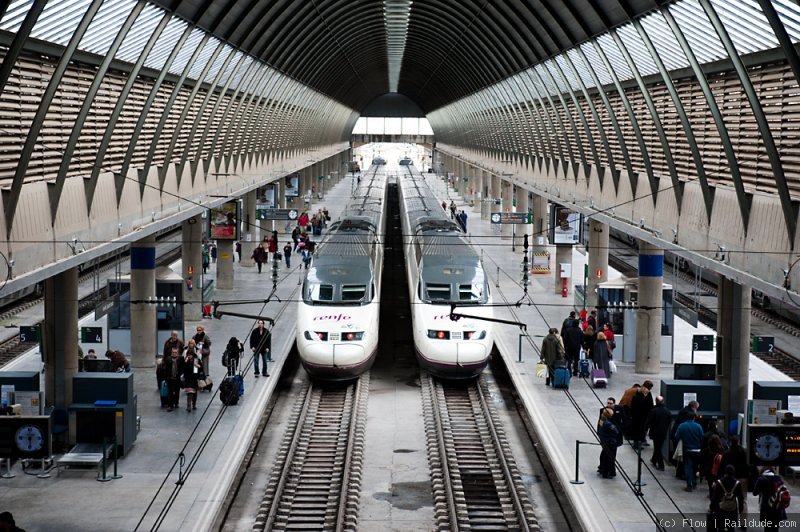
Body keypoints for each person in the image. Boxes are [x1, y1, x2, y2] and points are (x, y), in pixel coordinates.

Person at [719, 436, 750, 515]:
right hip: (742, 478)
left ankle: (728, 518)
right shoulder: (744, 452)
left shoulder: (726, 453)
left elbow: (722, 466)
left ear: (730, 442)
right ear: (738, 442)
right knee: (744, 500)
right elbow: (748, 465)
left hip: (729, 479)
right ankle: (743, 523)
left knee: (727, 498)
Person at [674, 412, 704, 491]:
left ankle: (689, 485)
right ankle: (694, 483)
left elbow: (676, 437)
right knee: (695, 467)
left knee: (688, 467)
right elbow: (702, 437)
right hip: (697, 450)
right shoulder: (698, 426)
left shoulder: (682, 426)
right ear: (694, 418)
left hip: (687, 450)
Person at [709, 464, 745, 531]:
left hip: (721, 509)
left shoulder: (719, 483)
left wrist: (712, 507)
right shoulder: (737, 483)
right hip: (732, 509)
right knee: (731, 528)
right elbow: (740, 498)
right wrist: (740, 508)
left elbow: (715, 497)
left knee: (721, 527)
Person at [753, 467, 789, 531]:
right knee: (775, 528)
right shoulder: (778, 478)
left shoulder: (761, 479)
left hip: (767, 508)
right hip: (777, 506)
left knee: (767, 528)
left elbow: (755, 493)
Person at [645, 395, 671, 470]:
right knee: (658, 447)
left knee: (657, 448)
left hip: (655, 432)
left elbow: (649, 422)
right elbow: (668, 422)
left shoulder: (653, 411)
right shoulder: (667, 411)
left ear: (656, 401)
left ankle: (661, 465)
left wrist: (646, 429)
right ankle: (654, 459)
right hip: (663, 432)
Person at [597, 407, 623, 479]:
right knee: (609, 458)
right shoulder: (608, 424)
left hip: (604, 441)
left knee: (605, 456)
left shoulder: (601, 420)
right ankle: (607, 472)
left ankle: (604, 471)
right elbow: (616, 431)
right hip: (610, 442)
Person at [630, 380, 654, 448]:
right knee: (642, 429)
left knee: (636, 429)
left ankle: (636, 442)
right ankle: (640, 442)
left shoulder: (636, 394)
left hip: (636, 416)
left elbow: (632, 406)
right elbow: (649, 405)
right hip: (643, 416)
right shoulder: (647, 395)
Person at [161, 347, 182, 412]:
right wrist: (166, 378)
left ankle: (176, 402)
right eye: (173, 352)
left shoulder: (180, 359)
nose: (174, 354)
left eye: (175, 352)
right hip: (170, 378)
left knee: (177, 391)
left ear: (177, 353)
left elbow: (182, 368)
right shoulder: (168, 359)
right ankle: (170, 405)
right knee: (170, 392)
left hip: (177, 378)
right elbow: (165, 369)